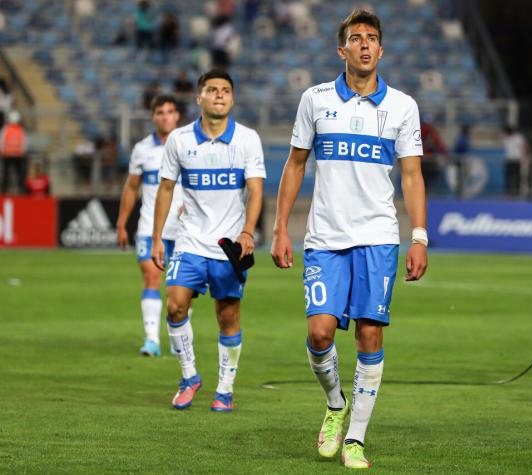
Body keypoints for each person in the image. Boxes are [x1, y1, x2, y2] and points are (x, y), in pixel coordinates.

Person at [270, 9, 427, 469]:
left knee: (369, 333)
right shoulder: (315, 100)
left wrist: (418, 235)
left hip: (378, 235)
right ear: (342, 50)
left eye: (371, 38)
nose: (363, 45)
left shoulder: (402, 106)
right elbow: (295, 165)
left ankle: (356, 438)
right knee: (319, 332)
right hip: (325, 236)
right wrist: (281, 228)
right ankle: (336, 405)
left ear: (380, 50)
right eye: (355, 38)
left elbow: (413, 176)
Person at [152, 70, 265, 412]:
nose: (219, 95)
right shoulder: (179, 140)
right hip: (189, 241)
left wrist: (247, 231)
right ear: (199, 98)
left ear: (232, 99)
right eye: (212, 90)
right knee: (174, 305)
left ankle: (225, 389)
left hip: (228, 246)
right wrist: (158, 237)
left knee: (227, 315)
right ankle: (189, 377)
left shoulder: (247, 139)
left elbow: (256, 190)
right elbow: (166, 189)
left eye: (225, 90)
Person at [116, 95, 183, 357]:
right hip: (149, 227)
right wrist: (121, 223)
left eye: (169, 112)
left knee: (179, 291)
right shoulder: (142, 149)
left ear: (177, 115)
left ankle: (179, 339)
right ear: (153, 117)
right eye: (159, 112)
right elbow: (132, 187)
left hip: (184, 229)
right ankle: (152, 339)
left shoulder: (189, 144)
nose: (165, 116)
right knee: (152, 276)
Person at [0, 110, 27, 195]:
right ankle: (18, 189)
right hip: (15, 155)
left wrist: (2, 150)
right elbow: (24, 142)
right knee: (15, 173)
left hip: (9, 154)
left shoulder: (6, 129)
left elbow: (1, 141)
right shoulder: (19, 129)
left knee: (9, 173)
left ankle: (10, 189)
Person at [502, 125, 531, 197]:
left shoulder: (519, 137)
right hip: (508, 159)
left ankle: (518, 191)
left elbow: (526, 146)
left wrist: (527, 156)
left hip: (517, 159)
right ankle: (508, 191)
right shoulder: (505, 137)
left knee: (518, 176)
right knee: (508, 175)